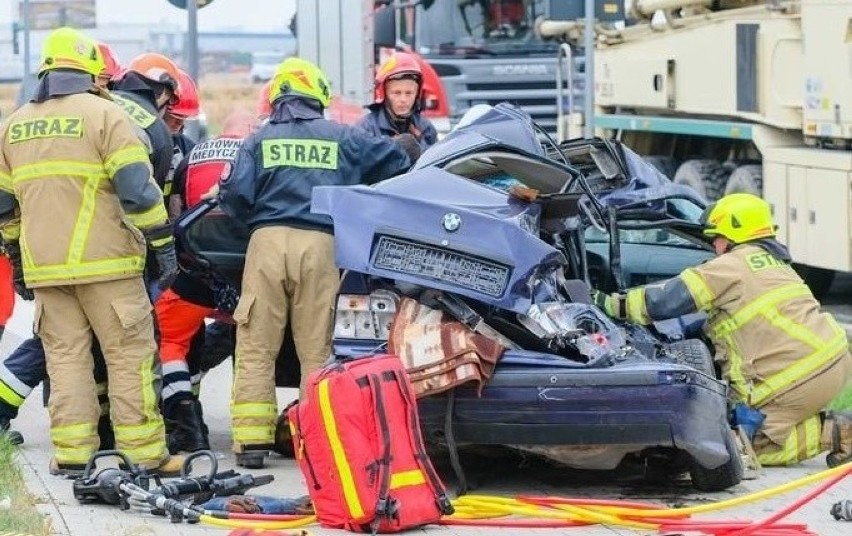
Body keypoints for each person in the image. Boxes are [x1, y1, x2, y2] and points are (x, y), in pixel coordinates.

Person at [218, 57, 416, 468]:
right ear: (318, 96)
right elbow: (397, 161)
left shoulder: (258, 140)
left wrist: (254, 226)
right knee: (317, 348)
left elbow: (234, 195)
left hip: (266, 243)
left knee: (256, 343)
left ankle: (251, 444)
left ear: (277, 96)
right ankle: (316, 443)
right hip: (321, 244)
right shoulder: (342, 137)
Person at [0, 27, 181, 474]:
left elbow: (5, 207)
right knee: (129, 358)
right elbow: (139, 194)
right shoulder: (108, 117)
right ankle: (144, 455)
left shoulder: (13, 125)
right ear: (91, 71)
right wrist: (162, 246)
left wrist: (21, 261)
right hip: (110, 267)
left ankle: (74, 454)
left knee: (64, 361)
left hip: (48, 272)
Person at [592, 193, 852, 466]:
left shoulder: (730, 265)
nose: (713, 245)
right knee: (745, 431)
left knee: (734, 448)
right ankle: (824, 425)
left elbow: (668, 299)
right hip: (832, 361)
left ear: (732, 234)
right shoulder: (773, 263)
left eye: (715, 237)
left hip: (796, 379)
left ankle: (837, 433)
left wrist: (610, 305)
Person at [155, 110, 255, 453]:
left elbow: (175, 212)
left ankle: (186, 423)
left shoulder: (194, 155)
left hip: (195, 273)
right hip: (247, 277)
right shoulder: (256, 154)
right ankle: (255, 431)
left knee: (170, 341)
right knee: (256, 346)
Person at [355, 51, 437, 150]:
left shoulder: (425, 128)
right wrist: (391, 150)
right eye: (397, 93)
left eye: (409, 93)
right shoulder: (366, 128)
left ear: (417, 94)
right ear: (384, 94)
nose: (403, 99)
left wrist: (418, 154)